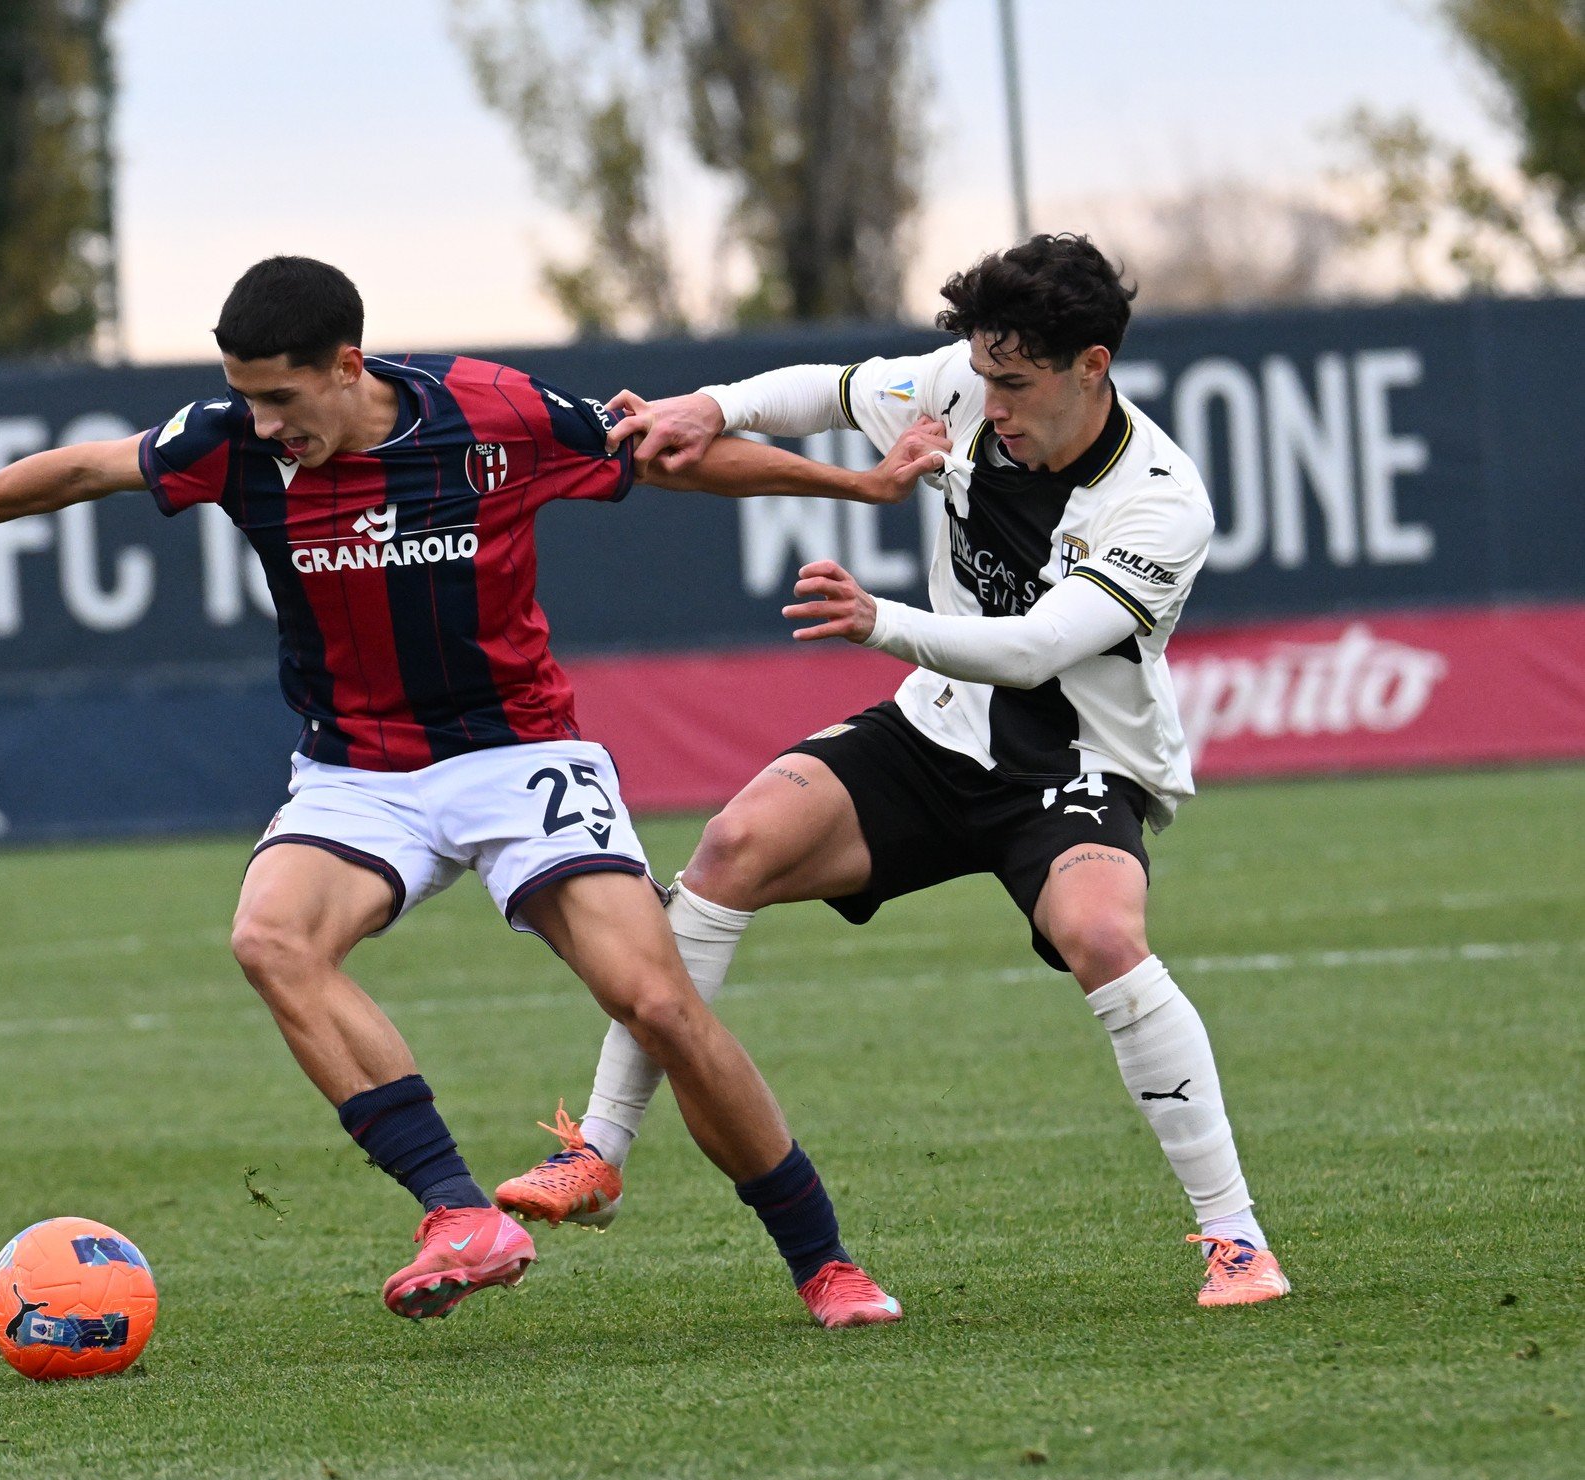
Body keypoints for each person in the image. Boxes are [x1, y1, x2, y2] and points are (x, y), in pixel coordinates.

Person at [0, 255, 945, 1327]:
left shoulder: (492, 412)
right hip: (356, 769)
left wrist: (858, 489)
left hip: (518, 755)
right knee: (269, 938)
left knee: (659, 1004)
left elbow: (667, 456)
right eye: (245, 398)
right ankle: (454, 1214)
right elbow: (82, 466)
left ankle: (823, 1263)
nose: (263, 426)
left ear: (348, 365)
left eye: (282, 399)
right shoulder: (227, 439)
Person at [496, 234, 1290, 1310]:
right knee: (730, 847)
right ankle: (595, 1152)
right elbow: (820, 391)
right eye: (982, 373)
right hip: (934, 733)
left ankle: (1235, 1239)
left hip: (1074, 764)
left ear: (1090, 367)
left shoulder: (1157, 501)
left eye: (1014, 383)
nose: (989, 401)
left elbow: (1034, 651)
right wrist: (708, 408)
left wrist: (881, 623)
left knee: (1101, 934)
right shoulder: (965, 379)